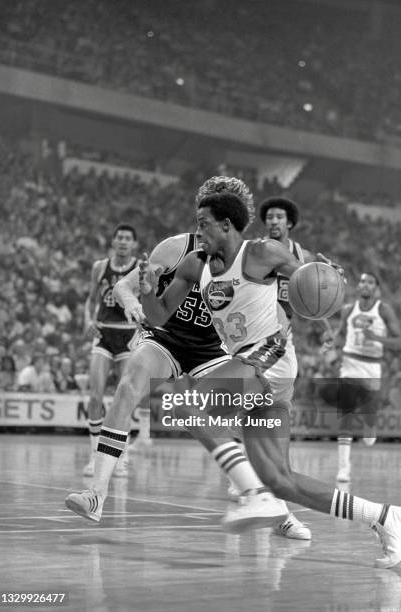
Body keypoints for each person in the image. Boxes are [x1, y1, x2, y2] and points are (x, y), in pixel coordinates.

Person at [133, 190, 401, 569]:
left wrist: (330, 279)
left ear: (226, 225)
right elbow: (158, 317)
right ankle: (384, 516)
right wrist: (146, 292)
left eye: (204, 223)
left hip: (270, 358)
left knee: (188, 405)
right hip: (250, 366)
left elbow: (311, 283)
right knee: (282, 480)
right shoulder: (196, 265)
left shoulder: (261, 253)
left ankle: (252, 490)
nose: (198, 231)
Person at [65, 177, 308, 540]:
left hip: (215, 346)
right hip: (168, 337)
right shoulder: (177, 249)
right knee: (130, 383)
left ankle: (275, 506)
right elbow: (126, 286)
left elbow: (279, 294)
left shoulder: (251, 256)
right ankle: (97, 493)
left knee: (241, 414)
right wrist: (135, 301)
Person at [320, 272, 401, 482]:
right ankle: (344, 468)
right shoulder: (348, 310)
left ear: (376, 288)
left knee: (370, 420)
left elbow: (398, 342)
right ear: (358, 287)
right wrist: (329, 345)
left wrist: (374, 337)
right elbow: (338, 337)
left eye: (370, 282)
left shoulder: (383, 310)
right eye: (362, 281)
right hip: (349, 365)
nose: (365, 284)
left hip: (372, 368)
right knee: (345, 411)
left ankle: (369, 424)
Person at [83, 223, 139, 477]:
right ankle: (95, 455)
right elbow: (91, 300)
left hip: (128, 333)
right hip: (104, 332)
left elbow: (146, 301)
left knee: (124, 397)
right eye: (120, 238)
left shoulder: (140, 268)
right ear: (113, 241)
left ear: (134, 244)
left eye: (128, 238)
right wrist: (87, 320)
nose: (124, 242)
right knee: (95, 396)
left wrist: (140, 331)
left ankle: (121, 454)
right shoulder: (99, 267)